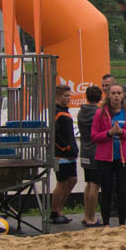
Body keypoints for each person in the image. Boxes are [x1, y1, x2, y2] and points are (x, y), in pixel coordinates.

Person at [91, 83, 126, 227]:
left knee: (122, 191)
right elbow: (94, 136)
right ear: (108, 95)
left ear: (122, 95)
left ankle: (122, 222)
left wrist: (122, 132)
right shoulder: (101, 113)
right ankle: (105, 222)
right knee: (106, 190)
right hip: (104, 158)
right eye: (113, 93)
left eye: (118, 93)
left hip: (124, 158)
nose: (116, 96)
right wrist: (109, 133)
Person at [76, 85, 104, 227]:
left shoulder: (81, 112)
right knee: (95, 184)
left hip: (85, 149)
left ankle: (86, 214)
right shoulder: (99, 112)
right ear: (100, 97)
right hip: (96, 150)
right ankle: (91, 216)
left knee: (88, 183)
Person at [49, 85, 77, 225]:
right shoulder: (57, 112)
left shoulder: (65, 111)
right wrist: (64, 147)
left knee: (72, 180)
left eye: (69, 96)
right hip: (61, 154)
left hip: (70, 153)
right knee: (62, 182)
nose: (68, 98)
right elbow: (55, 134)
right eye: (65, 96)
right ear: (58, 97)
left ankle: (60, 208)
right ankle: (54, 211)